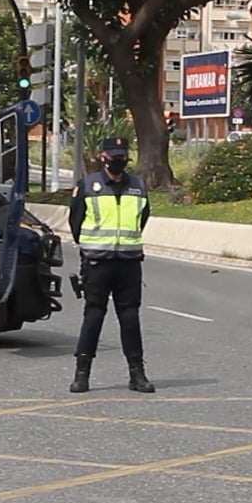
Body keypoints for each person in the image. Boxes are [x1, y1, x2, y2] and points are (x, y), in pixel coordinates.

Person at [67, 137, 153, 394]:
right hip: (98, 263)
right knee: (93, 316)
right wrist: (93, 246)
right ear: (103, 156)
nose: (118, 160)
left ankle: (137, 374)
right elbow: (75, 222)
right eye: (113, 155)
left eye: (122, 156)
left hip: (128, 264)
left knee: (129, 319)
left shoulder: (137, 186)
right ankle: (82, 374)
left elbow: (142, 219)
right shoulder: (88, 185)